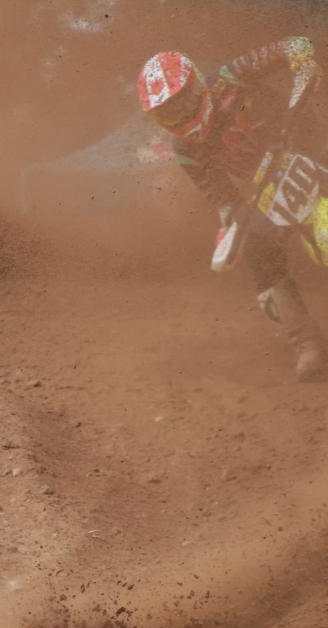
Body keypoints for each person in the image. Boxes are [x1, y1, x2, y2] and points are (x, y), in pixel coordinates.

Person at [138, 37, 328, 381]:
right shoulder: (185, 150)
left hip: (309, 143)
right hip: (268, 182)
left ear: (199, 84)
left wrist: (301, 72)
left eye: (184, 102)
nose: (182, 115)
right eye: (168, 112)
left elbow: (295, 44)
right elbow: (225, 200)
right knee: (258, 241)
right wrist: (232, 227)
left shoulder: (228, 76)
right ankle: (306, 343)